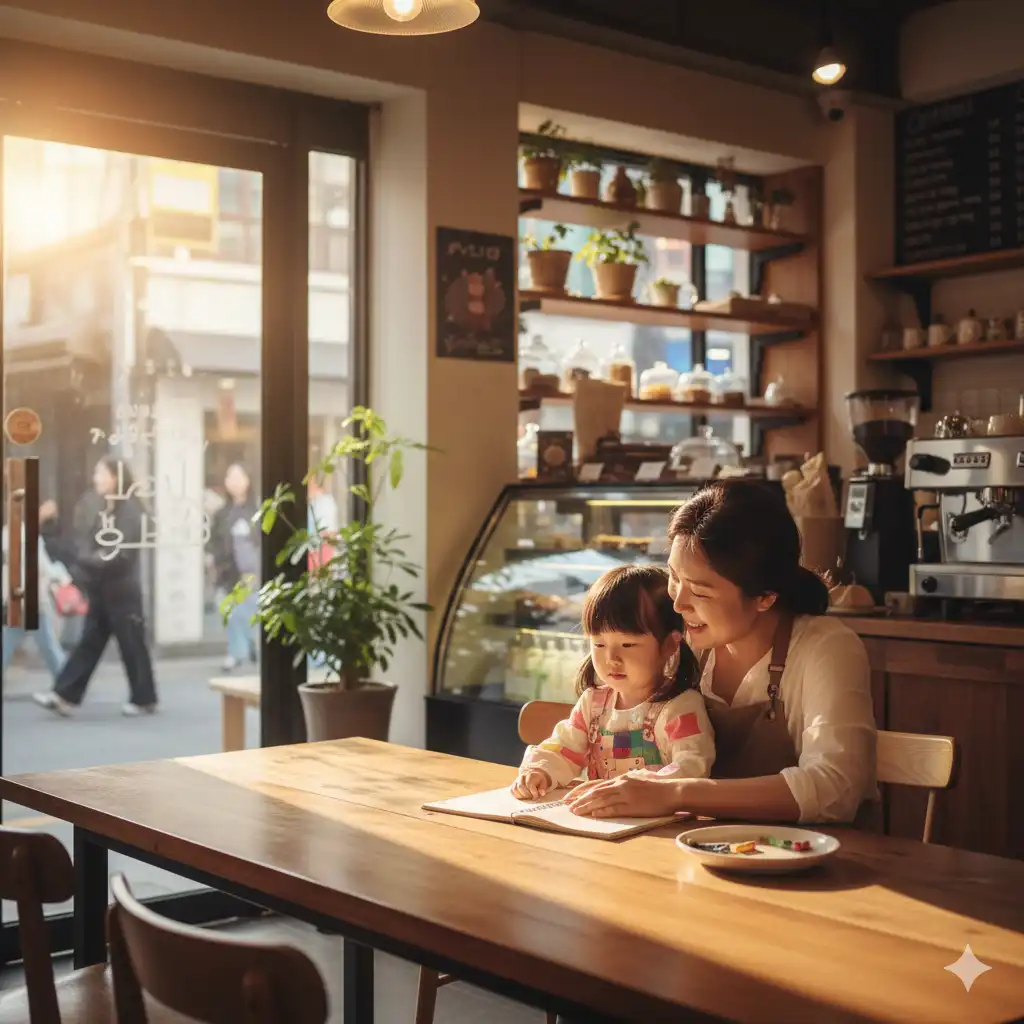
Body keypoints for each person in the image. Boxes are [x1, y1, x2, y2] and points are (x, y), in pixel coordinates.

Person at [566, 479, 877, 825]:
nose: (678, 602)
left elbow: (836, 787)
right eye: (674, 578)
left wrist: (676, 793)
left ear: (765, 597)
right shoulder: (681, 642)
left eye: (699, 591)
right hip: (708, 845)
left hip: (822, 858)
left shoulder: (826, 648)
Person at [512, 564, 714, 799]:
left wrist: (639, 787)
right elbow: (565, 749)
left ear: (670, 644)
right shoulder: (592, 704)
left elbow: (691, 767)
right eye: (599, 644)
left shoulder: (681, 707)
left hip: (657, 826)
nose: (612, 659)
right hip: (602, 820)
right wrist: (540, 771)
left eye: (627, 644)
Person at [34, 456, 158, 717]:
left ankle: (144, 698)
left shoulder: (132, 511)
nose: (96, 478)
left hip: (123, 590)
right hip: (103, 589)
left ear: (116, 477)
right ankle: (64, 695)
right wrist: (82, 568)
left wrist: (86, 563)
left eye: (101, 473)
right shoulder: (107, 509)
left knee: (132, 645)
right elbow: (92, 545)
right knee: (88, 643)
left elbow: (118, 553)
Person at [2, 504, 71, 682]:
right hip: (30, 597)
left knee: (8, 640)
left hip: (16, 597)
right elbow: (41, 566)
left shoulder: (9, 533)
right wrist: (62, 575)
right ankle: (68, 682)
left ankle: (67, 682)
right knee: (48, 644)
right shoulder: (26, 534)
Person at [210, 463, 259, 672]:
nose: (236, 482)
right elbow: (213, 541)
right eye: (231, 477)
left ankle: (248, 648)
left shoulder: (256, 511)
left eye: (240, 476)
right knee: (228, 611)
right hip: (227, 572)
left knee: (249, 611)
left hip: (251, 572)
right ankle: (237, 651)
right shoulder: (221, 513)